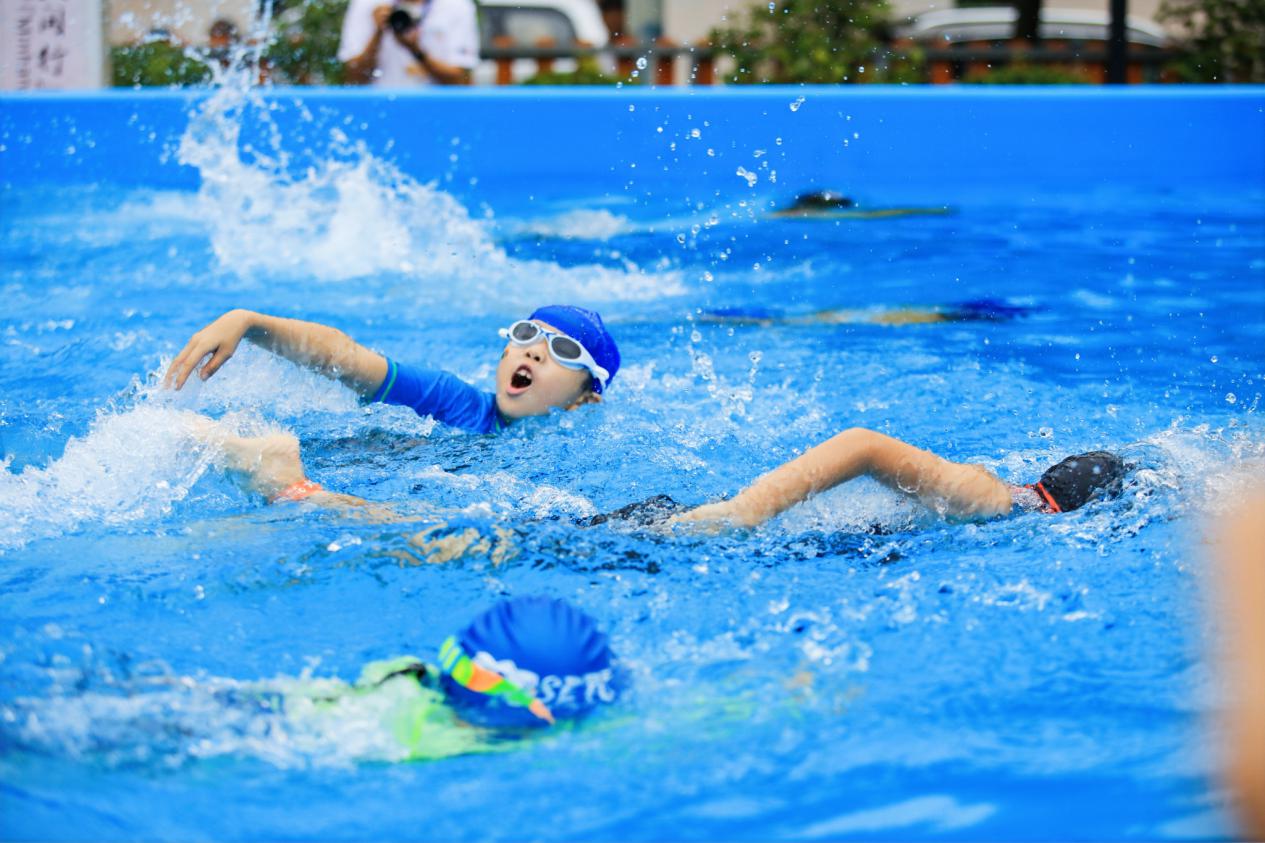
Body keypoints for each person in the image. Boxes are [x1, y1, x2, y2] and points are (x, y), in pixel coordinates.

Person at [164, 306, 620, 436]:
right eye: (526, 335)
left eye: (563, 350)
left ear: (586, 398)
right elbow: (346, 358)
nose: (535, 352)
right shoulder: (453, 401)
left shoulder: (587, 451)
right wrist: (249, 322)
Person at [672, 427, 1128, 529]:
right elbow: (864, 445)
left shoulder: (1008, 507)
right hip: (715, 527)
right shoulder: (989, 499)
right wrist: (746, 511)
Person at [338, 0, 479, 86]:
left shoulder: (457, 6)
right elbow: (353, 78)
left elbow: (461, 81)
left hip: (435, 110)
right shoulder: (366, 5)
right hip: (381, 107)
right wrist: (378, 33)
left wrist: (416, 50)